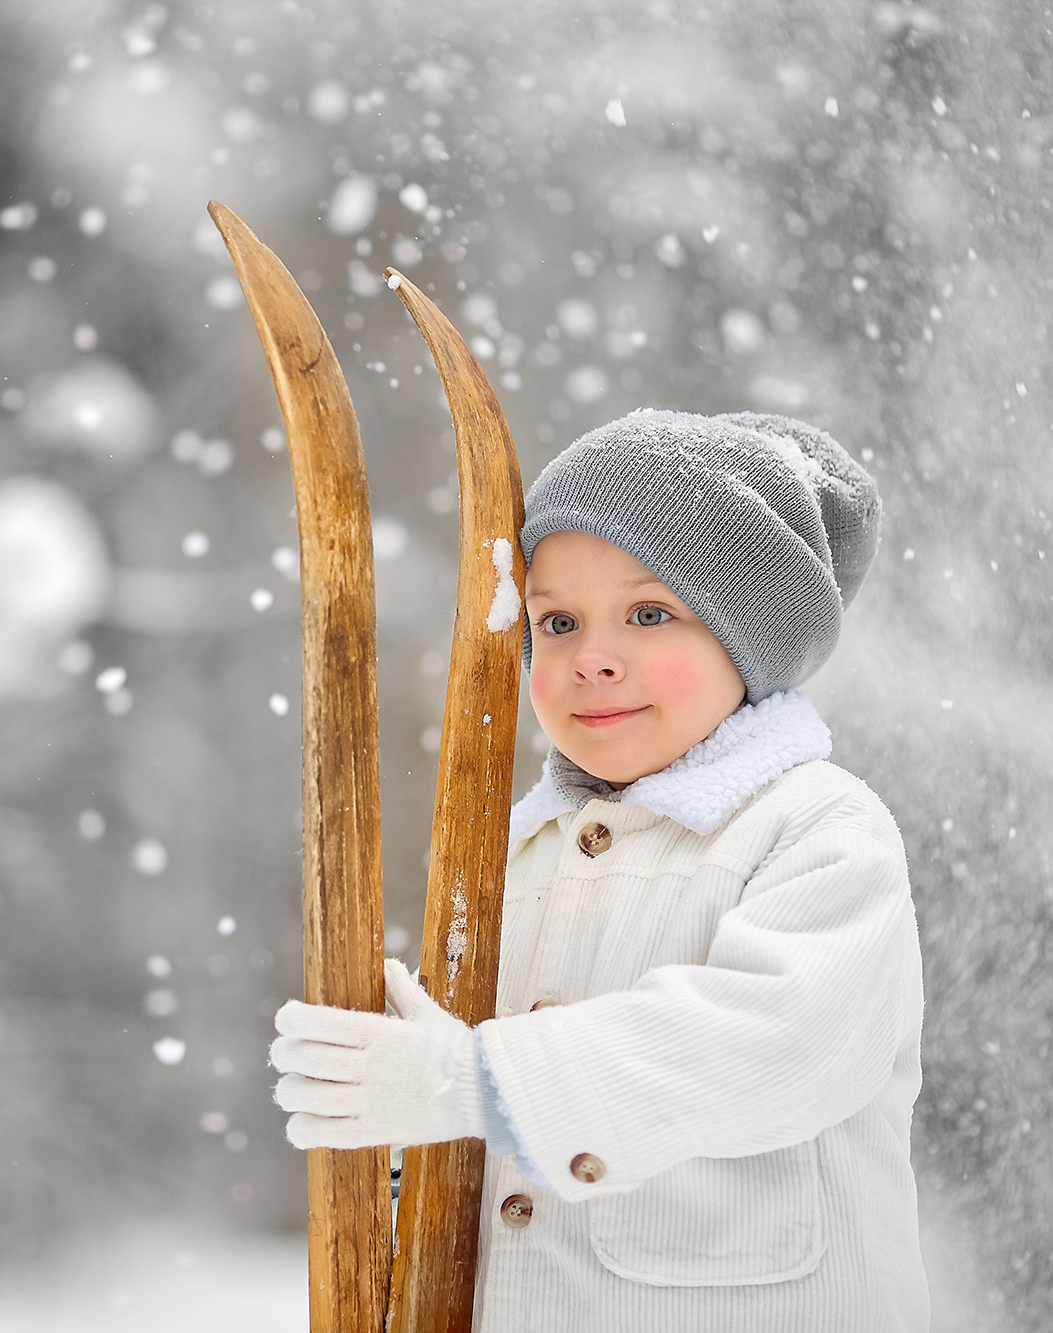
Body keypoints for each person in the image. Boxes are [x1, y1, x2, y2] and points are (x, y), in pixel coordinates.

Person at [269, 408, 928, 1331]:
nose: (591, 659)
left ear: (754, 640)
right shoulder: (513, 856)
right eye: (558, 621)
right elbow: (468, 1118)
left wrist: (472, 1080)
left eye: (650, 612)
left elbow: (770, 1047)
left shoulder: (817, 827)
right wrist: (400, 1117)